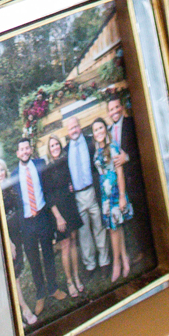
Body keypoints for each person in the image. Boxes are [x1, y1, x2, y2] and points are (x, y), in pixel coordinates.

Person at [13, 135, 63, 313]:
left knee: (48, 254)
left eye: (27, 148)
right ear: (17, 153)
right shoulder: (13, 176)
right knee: (34, 260)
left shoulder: (40, 164)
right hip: (27, 224)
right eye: (22, 149)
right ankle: (40, 294)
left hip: (42, 216)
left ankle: (53, 288)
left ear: (30, 150)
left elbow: (49, 189)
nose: (25, 151)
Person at [64, 112, 109, 277]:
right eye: (71, 128)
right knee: (84, 232)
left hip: (93, 192)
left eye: (76, 126)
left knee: (99, 227)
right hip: (78, 197)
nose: (74, 130)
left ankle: (104, 262)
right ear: (68, 132)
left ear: (80, 126)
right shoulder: (65, 150)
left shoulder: (91, 142)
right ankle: (90, 265)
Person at [40, 134, 85, 297]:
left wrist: (72, 185)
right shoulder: (46, 169)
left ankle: (77, 276)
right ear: (49, 149)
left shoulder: (65, 162)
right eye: (52, 146)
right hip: (58, 212)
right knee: (65, 245)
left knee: (73, 241)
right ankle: (69, 281)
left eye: (57, 144)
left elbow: (70, 179)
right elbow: (48, 195)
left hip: (70, 206)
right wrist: (58, 217)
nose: (55, 148)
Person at [91, 114, 132, 283]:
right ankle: (125, 259)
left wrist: (122, 196)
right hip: (105, 197)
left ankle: (116, 264)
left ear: (105, 129)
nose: (99, 131)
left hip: (115, 194)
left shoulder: (113, 147)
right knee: (116, 227)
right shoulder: (97, 149)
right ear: (93, 134)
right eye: (95, 130)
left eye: (101, 127)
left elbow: (120, 172)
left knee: (113, 230)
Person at [106, 91, 144, 275]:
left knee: (141, 213)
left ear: (121, 107)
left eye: (116, 107)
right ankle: (139, 249)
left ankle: (146, 248)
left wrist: (127, 157)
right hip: (119, 182)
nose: (114, 111)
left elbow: (142, 144)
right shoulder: (108, 132)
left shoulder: (130, 123)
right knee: (130, 218)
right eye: (110, 109)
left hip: (134, 177)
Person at [0, 160, 37, 325]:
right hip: (7, 239)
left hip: (19, 233)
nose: (0, 173)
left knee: (17, 272)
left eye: (2, 170)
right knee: (13, 276)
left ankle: (18, 310)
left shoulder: (10, 187)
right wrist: (9, 242)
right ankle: (24, 309)